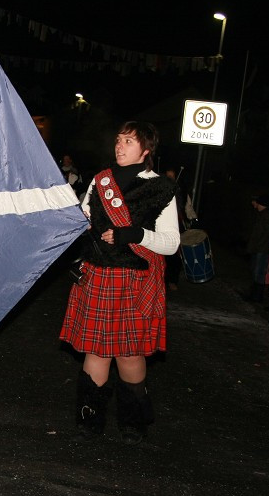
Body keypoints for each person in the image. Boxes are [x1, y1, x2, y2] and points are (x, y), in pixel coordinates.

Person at [59, 121, 180, 444]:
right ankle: (89, 418)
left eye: (129, 141)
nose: (120, 146)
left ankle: (133, 420)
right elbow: (82, 220)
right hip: (99, 274)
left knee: (129, 353)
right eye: (118, 140)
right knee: (96, 350)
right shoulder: (100, 182)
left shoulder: (161, 188)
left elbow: (171, 244)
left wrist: (136, 234)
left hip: (135, 279)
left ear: (146, 149)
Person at [245, 194, 269, 303]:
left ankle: (256, 296)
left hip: (262, 248)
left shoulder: (267, 216)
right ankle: (254, 295)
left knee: (259, 272)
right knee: (256, 271)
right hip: (260, 247)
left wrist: (256, 246)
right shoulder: (264, 215)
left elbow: (263, 234)